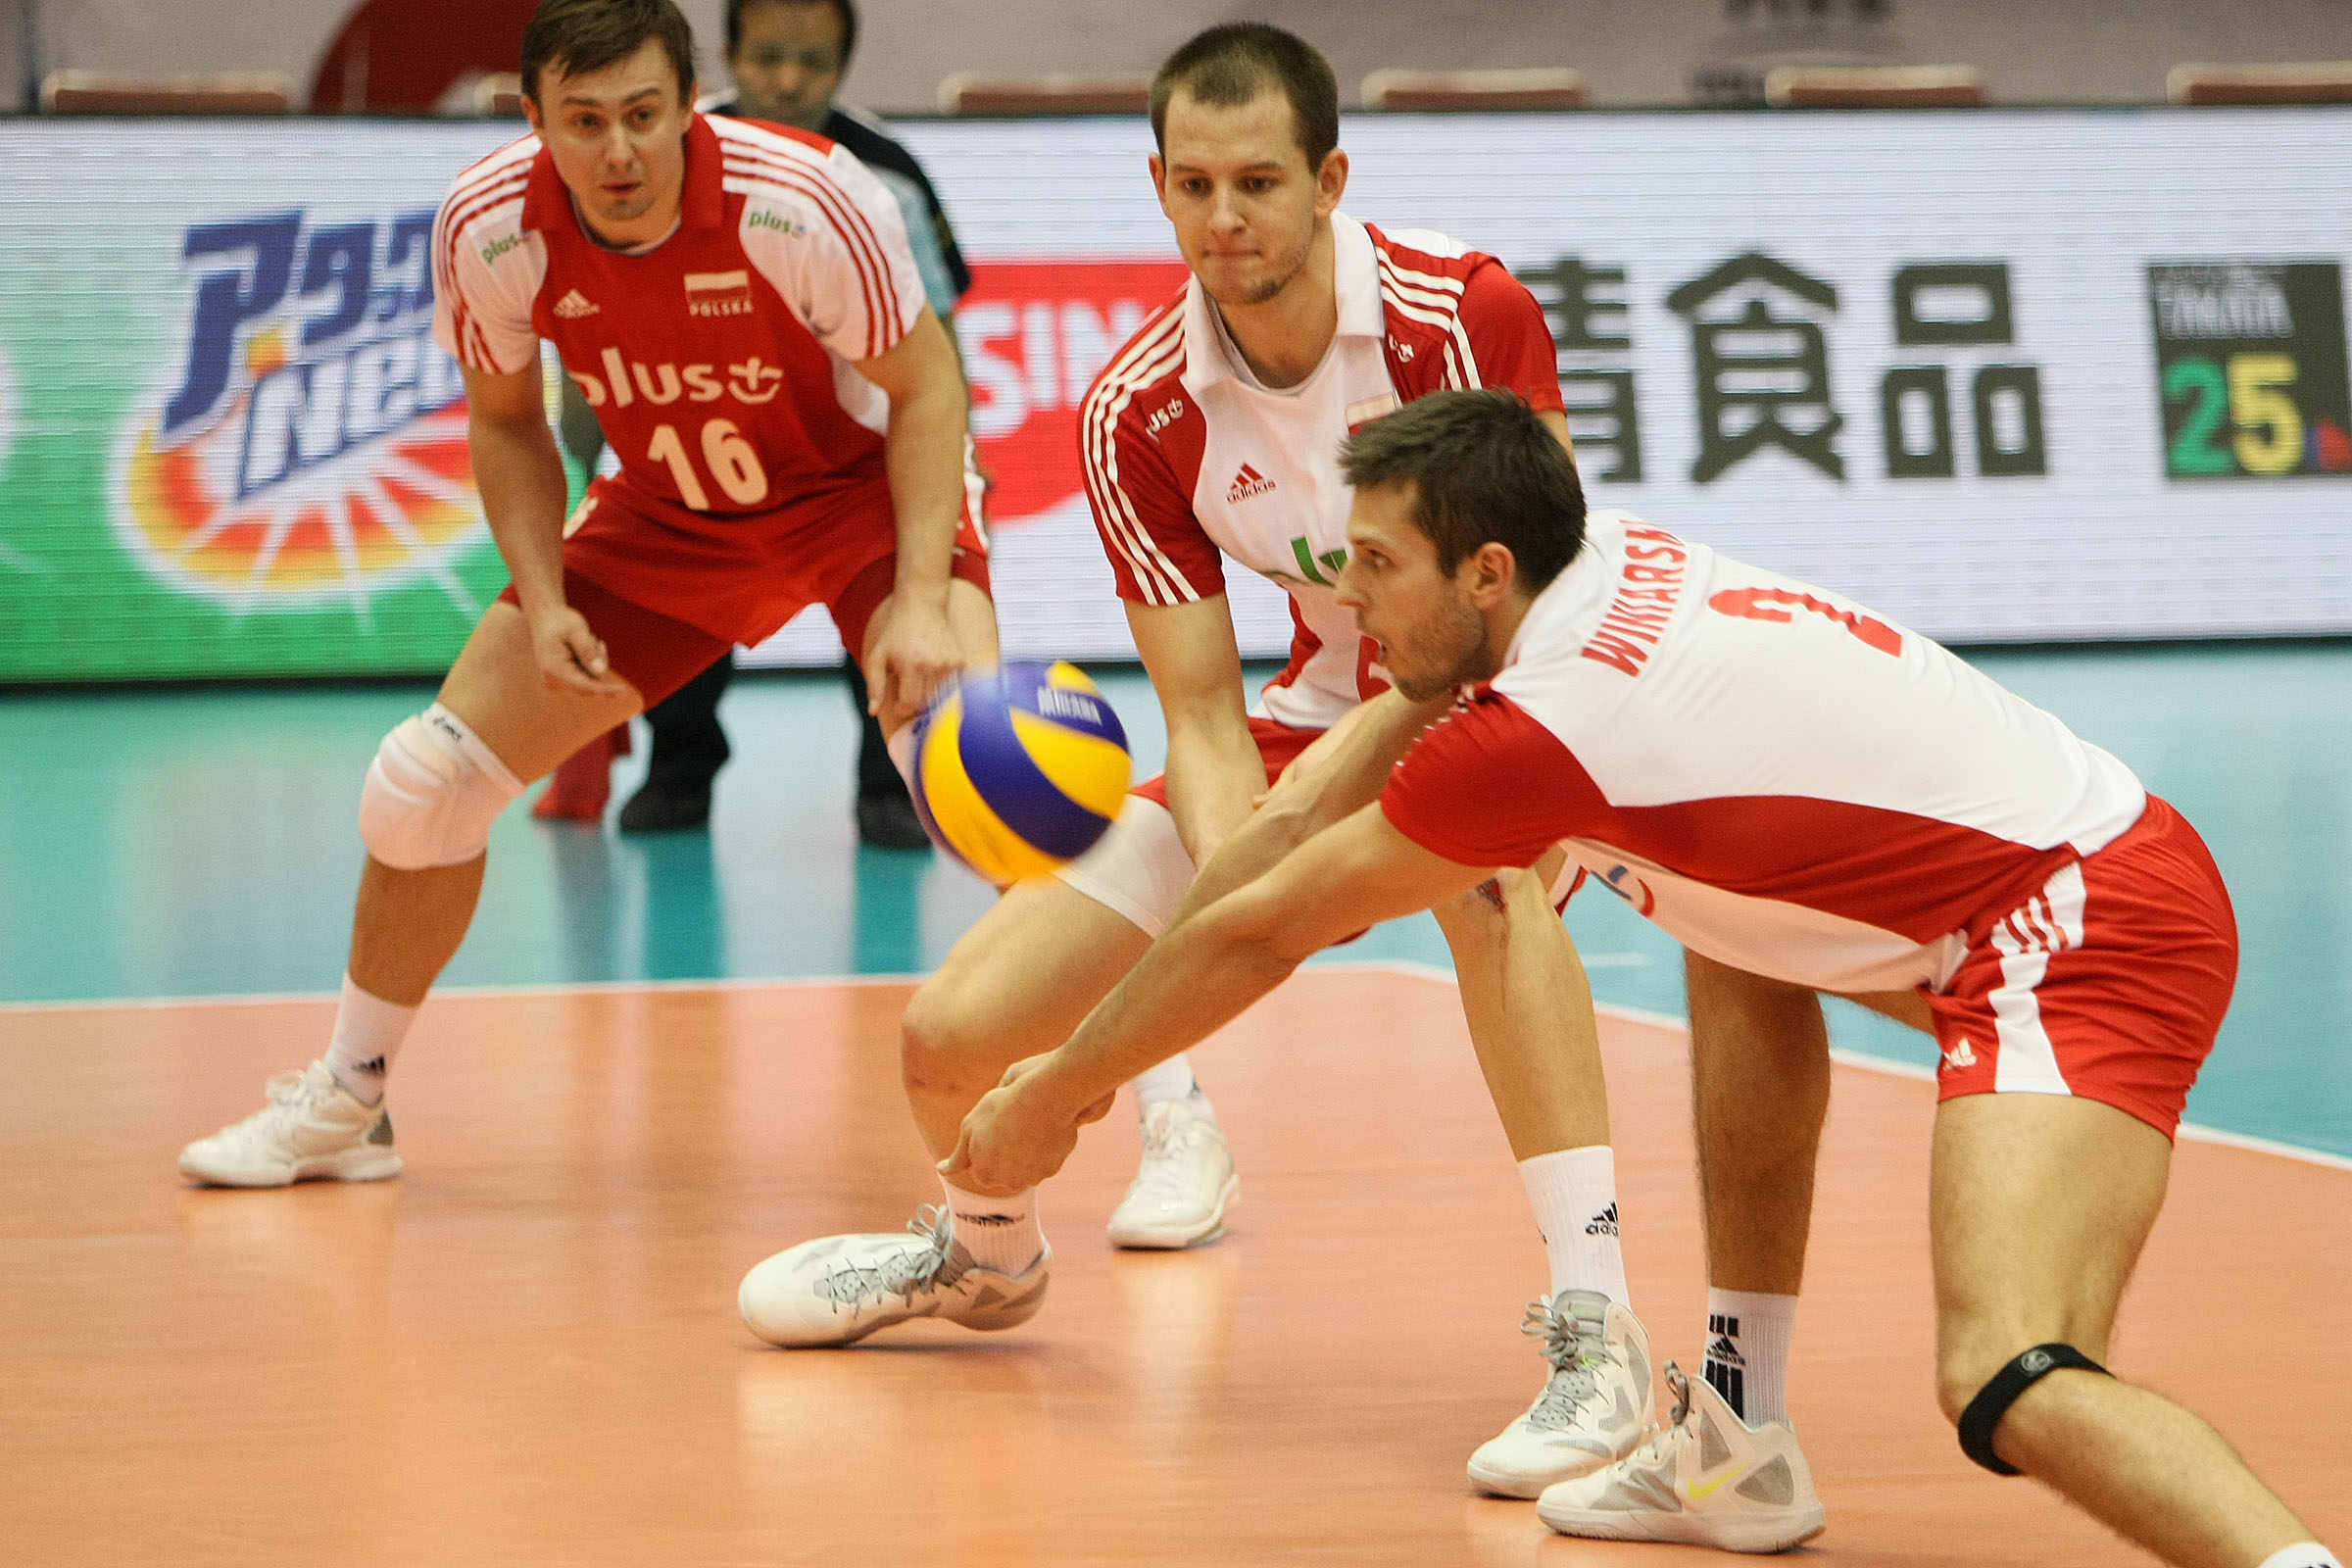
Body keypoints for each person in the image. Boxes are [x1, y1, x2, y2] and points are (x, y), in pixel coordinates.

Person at [942, 390, 2339, 1568]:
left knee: (2008, 1373)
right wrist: (1087, 1053)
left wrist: (1055, 1094)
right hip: (2046, 882)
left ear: (1485, 573)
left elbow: (1266, 930)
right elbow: (1297, 814)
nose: (1346, 597)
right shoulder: (1593, 561)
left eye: (1374, 564)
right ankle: (1739, 1445)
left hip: (2075, 926)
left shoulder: (1543, 730)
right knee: (1725, 936)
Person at [734, 24, 1662, 1503]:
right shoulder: (1138, 412)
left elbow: (1545, 590)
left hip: (1523, 693)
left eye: (1259, 183)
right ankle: (986, 1256)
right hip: (1314, 725)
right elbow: (1210, 721)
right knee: (950, 1033)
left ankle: (1602, 1334)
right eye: (1194, 185)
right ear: (1158, 185)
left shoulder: (1458, 314)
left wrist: (1365, 845)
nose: (1225, 219)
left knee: (1491, 886)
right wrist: (1250, 898)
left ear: (1329, 181)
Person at [176, 0, 993, 1185]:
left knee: (986, 779)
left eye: (645, 116)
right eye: (586, 120)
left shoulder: (803, 197)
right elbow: (506, 422)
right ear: (536, 119)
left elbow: (929, 388)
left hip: (856, 496)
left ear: (690, 104)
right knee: (422, 787)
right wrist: (545, 594)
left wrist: (919, 594)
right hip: (673, 513)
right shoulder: (490, 224)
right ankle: (350, 1102)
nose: (619, 151)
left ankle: (1174, 1115)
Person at [540, 0, 970, 843]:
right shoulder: (659, 152)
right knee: (677, 608)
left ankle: (888, 783)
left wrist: (967, 456)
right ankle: (678, 770)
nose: (788, 80)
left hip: (846, 457)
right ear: (729, 57)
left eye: (813, 63)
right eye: (768, 57)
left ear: (843, 66)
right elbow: (593, 306)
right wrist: (583, 439)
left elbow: (936, 347)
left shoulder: (888, 173)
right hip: (694, 441)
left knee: (892, 610)